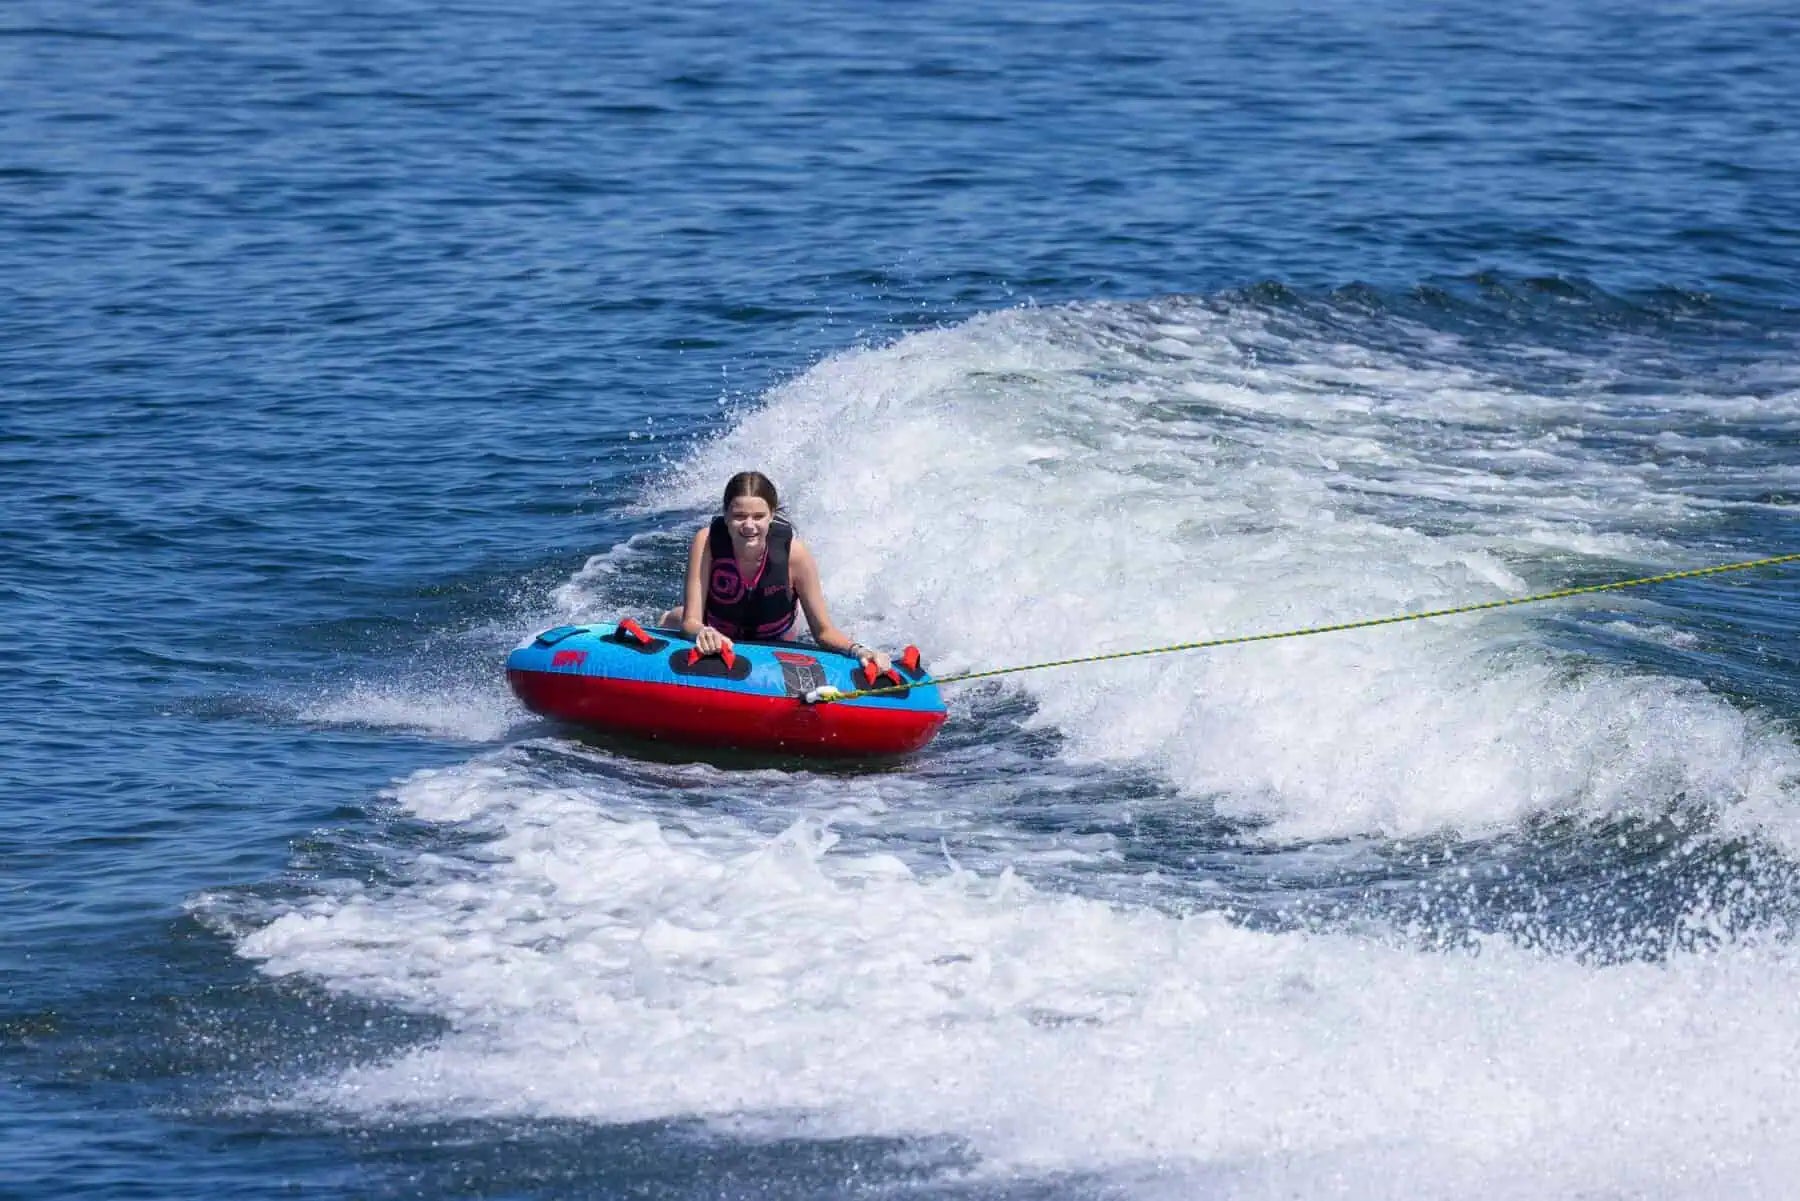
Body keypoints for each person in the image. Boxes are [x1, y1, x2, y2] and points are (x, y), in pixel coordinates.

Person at [658, 471, 893, 675]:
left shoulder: (795, 555)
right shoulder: (707, 541)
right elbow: (692, 621)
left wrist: (859, 650)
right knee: (679, 619)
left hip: (776, 637)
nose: (749, 525)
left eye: (758, 517)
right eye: (739, 516)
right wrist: (702, 631)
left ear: (771, 515)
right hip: (717, 629)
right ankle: (667, 618)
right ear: (726, 516)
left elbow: (823, 631)